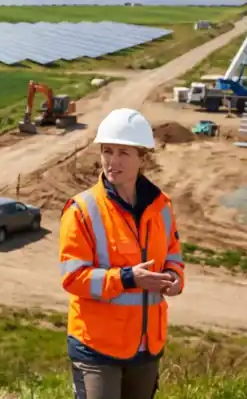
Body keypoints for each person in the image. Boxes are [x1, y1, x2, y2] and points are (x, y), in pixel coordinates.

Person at [59, 107, 185, 399]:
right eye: (107, 151)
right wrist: (128, 278)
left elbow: (174, 257)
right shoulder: (82, 209)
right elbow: (72, 278)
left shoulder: (161, 206)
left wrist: (174, 279)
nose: (112, 162)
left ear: (143, 158)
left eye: (123, 153)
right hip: (96, 347)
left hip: (146, 345)